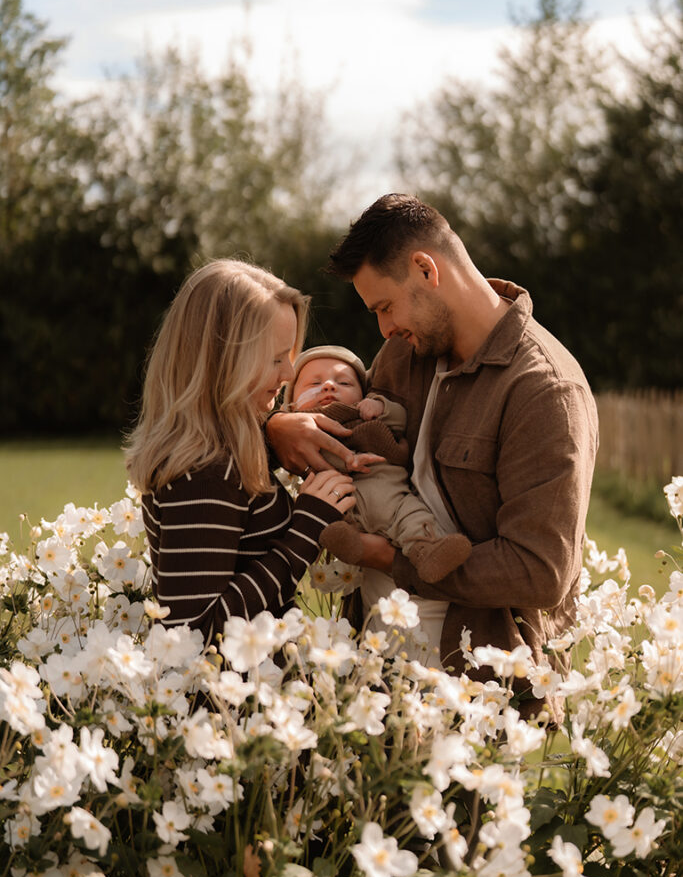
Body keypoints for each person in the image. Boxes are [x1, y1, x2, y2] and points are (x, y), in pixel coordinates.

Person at [266, 194, 599, 700]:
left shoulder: (545, 390)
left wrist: (392, 560)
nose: (384, 328)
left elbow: (540, 571)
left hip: (476, 690)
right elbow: (340, 428)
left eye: (385, 307)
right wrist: (277, 427)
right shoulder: (404, 353)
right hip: (369, 669)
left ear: (426, 269)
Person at [124, 259, 355, 646]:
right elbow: (192, 635)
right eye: (276, 359)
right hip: (232, 685)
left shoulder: (223, 450)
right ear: (222, 360)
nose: (289, 374)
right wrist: (306, 531)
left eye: (290, 356)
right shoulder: (205, 473)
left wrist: (273, 430)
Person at [283, 344, 472, 586]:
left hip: (391, 497)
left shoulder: (363, 414)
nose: (329, 386)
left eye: (344, 383)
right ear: (292, 407)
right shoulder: (305, 434)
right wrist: (345, 459)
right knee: (332, 527)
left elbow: (399, 419)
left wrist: (380, 406)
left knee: (412, 518)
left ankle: (427, 552)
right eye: (314, 383)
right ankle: (351, 544)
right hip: (343, 507)